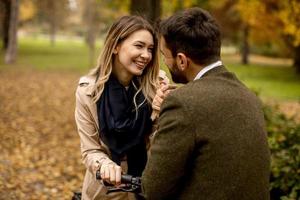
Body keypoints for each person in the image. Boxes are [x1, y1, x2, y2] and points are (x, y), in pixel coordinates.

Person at [142, 7, 270, 200]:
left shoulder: (182, 103)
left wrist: (161, 119)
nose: (164, 63)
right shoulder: (249, 96)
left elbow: (152, 189)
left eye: (164, 55)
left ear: (182, 60)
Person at [75, 15, 168, 200]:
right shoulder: (88, 91)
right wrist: (104, 165)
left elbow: (165, 147)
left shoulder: (158, 85)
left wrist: (159, 113)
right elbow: (90, 150)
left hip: (147, 190)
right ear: (116, 46)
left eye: (150, 49)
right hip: (105, 193)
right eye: (139, 46)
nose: (146, 55)